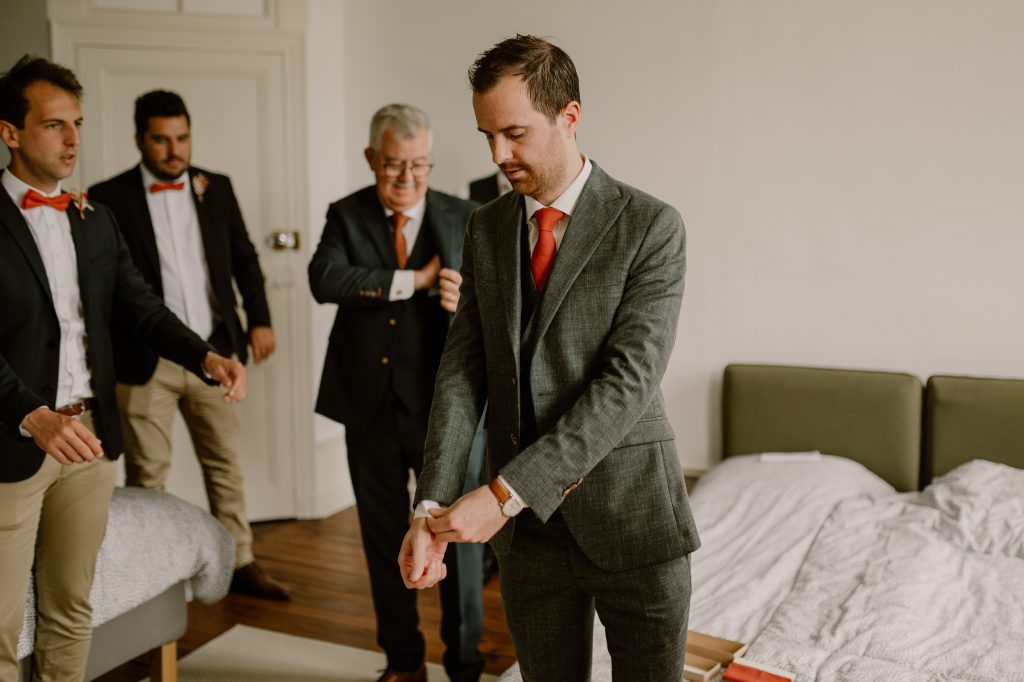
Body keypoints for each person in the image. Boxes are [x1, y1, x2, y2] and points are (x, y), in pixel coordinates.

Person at [400, 35, 701, 680]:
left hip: (631, 521)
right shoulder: (485, 227)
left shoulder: (652, 226)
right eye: (486, 136)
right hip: (530, 546)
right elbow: (461, 374)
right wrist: (430, 506)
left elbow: (625, 388)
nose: (497, 155)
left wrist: (504, 493)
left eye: (514, 133)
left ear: (569, 117)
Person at [0, 55, 247, 682]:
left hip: (89, 443)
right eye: (55, 125)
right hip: (14, 443)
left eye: (77, 124)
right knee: (0, 624)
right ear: (11, 132)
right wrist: (31, 416)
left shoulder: (94, 219)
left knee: (70, 608)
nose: (73, 140)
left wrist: (205, 354)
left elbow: (141, 308)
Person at [87, 90, 289, 601]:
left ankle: (241, 562)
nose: (174, 150)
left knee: (224, 463)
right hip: (143, 360)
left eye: (182, 138)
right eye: (161, 139)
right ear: (139, 140)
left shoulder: (214, 187)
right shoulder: (107, 196)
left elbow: (244, 258)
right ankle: (150, 579)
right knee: (146, 475)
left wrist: (259, 321)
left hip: (213, 355)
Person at [309, 104, 485, 682]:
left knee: (453, 539)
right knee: (382, 537)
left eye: (418, 166)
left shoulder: (470, 217)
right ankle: (403, 661)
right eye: (392, 167)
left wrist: (469, 307)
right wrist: (415, 280)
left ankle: (463, 663)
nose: (407, 179)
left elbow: (508, 312)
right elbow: (324, 280)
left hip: (445, 413)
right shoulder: (346, 215)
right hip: (368, 408)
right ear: (370, 160)